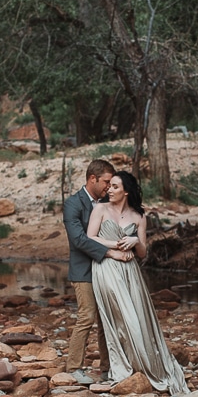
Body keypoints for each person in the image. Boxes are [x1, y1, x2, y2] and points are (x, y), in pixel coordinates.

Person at [86, 167, 189, 397]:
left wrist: (134, 241)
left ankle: (142, 366)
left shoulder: (139, 216)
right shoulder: (100, 208)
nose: (109, 190)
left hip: (131, 271)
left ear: (126, 192)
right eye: (109, 185)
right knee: (123, 317)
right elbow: (90, 238)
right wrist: (117, 245)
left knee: (140, 318)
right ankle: (123, 367)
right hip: (106, 267)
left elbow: (142, 253)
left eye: (115, 187)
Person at [62, 158, 119, 383]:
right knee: (87, 316)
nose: (108, 186)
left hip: (107, 270)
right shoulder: (73, 204)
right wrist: (109, 252)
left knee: (107, 319)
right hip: (83, 270)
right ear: (92, 179)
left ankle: (108, 368)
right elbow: (77, 239)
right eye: (105, 181)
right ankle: (74, 367)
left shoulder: (109, 202)